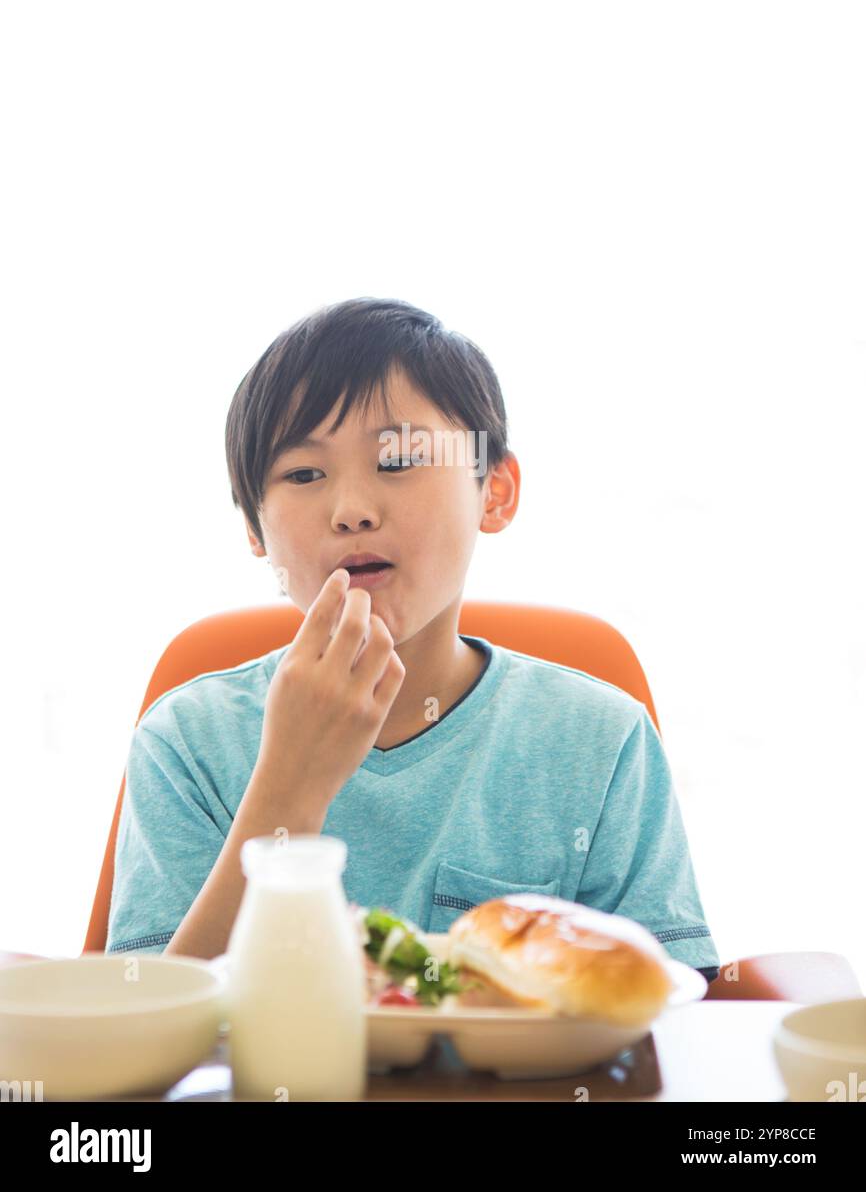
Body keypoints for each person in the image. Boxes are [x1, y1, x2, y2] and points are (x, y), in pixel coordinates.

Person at [106, 296, 720, 984]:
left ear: (494, 491)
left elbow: (666, 1012)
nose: (352, 512)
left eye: (397, 462)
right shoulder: (185, 742)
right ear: (253, 527)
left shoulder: (602, 742)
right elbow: (151, 1020)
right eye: (304, 475)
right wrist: (289, 785)